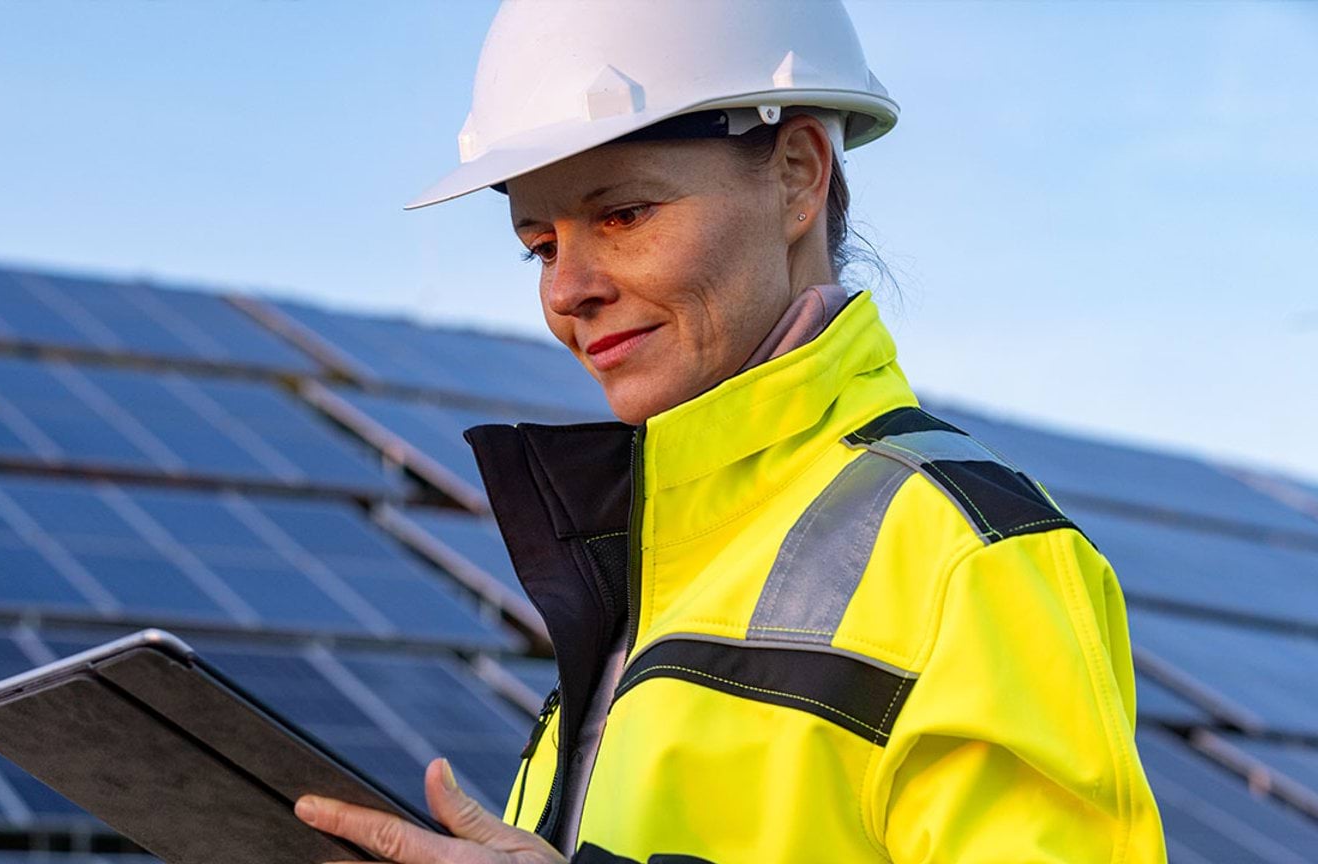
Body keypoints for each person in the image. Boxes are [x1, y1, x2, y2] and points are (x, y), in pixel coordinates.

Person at [294, 1, 1169, 861]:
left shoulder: (970, 558)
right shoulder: (654, 570)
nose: (567, 292)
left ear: (796, 174)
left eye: (623, 215)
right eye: (541, 245)